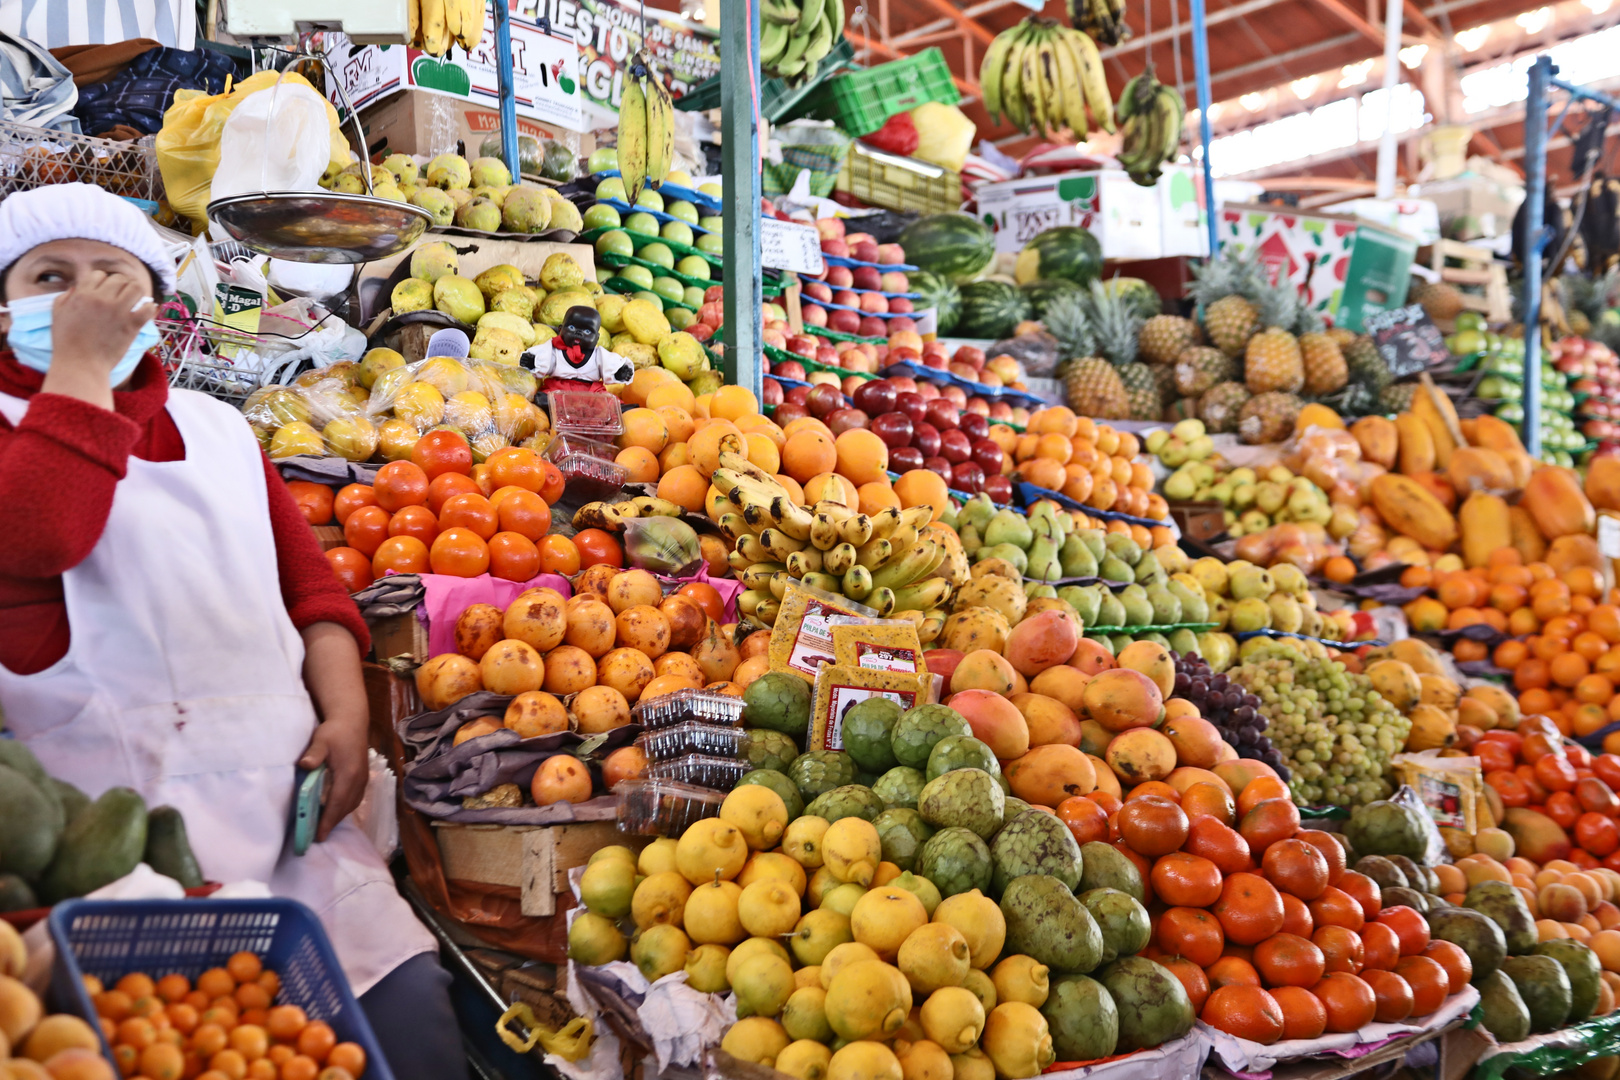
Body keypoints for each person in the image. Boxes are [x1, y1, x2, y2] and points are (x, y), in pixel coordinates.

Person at [0, 184, 467, 1080]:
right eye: (50, 278)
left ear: (152, 301)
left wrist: (344, 717)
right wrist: (78, 378)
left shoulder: (217, 431)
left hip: (288, 824)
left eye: (111, 276)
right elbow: (39, 534)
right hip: (117, 852)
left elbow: (316, 596)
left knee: (410, 1026)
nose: (86, 300)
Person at [529, 305, 633, 391]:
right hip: (560, 387)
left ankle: (619, 408)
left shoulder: (599, 355)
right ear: (560, 330)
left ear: (597, 338)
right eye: (572, 328)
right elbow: (545, 361)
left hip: (589, 390)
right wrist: (533, 362)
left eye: (587, 332)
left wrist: (619, 372)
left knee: (604, 401)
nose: (578, 333)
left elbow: (609, 365)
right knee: (548, 395)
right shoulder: (555, 350)